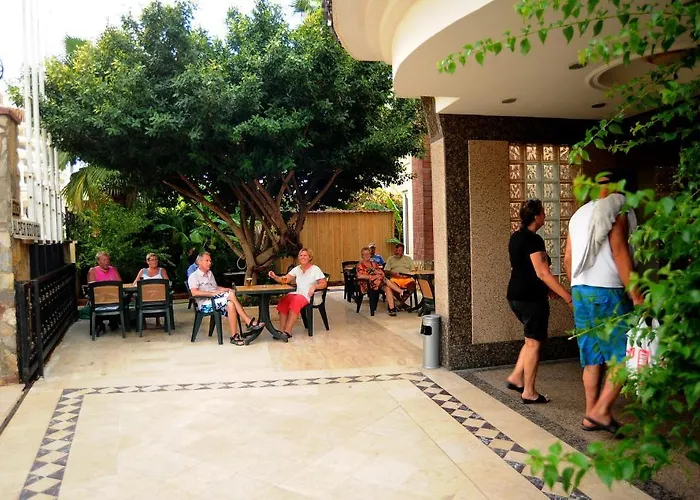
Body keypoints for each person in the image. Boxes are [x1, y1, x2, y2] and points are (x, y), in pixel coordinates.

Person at [565, 174, 643, 434]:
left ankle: (590, 415)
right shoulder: (618, 207)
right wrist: (635, 293)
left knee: (591, 357)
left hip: (581, 290)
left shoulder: (578, 215)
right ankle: (601, 411)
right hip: (609, 290)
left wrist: (577, 287)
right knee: (623, 354)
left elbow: (568, 258)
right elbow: (619, 249)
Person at [505, 199, 572, 404]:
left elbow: (525, 269)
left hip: (515, 296)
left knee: (531, 339)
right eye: (543, 212)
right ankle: (529, 392)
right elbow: (542, 273)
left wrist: (548, 290)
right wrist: (567, 296)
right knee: (534, 343)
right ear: (536, 217)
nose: (545, 215)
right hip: (531, 298)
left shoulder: (516, 237)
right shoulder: (533, 240)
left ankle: (516, 377)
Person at [188, 252, 264, 345]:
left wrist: (226, 289)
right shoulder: (194, 276)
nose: (209, 263)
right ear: (199, 262)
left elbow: (216, 288)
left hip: (216, 300)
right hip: (205, 304)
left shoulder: (210, 273)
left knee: (231, 304)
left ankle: (234, 336)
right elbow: (194, 292)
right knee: (230, 296)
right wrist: (212, 294)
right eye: (207, 261)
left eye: (210, 261)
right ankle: (248, 321)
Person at [268, 248, 327, 338]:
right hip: (298, 293)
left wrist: (315, 286)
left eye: (305, 255)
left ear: (310, 257)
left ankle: (288, 331)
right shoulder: (297, 269)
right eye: (301, 255)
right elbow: (285, 279)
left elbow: (324, 284)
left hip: (310, 296)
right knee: (284, 300)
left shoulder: (315, 269)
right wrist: (275, 277)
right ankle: (281, 330)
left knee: (296, 301)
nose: (303, 257)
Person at [356, 247, 404, 316]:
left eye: (368, 254)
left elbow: (382, 273)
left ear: (370, 255)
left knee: (387, 287)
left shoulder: (373, 263)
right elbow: (359, 276)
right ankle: (400, 291)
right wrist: (372, 277)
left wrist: (376, 272)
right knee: (382, 279)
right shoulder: (360, 265)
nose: (367, 256)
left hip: (378, 283)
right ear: (362, 255)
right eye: (365, 254)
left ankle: (392, 309)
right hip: (367, 284)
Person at [87, 251, 123, 333]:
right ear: (98, 261)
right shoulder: (93, 271)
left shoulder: (113, 269)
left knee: (125, 300)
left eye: (107, 260)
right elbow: (92, 288)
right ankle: (100, 324)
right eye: (104, 260)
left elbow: (120, 284)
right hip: (99, 299)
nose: (106, 262)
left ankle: (115, 322)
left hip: (114, 298)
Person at [133, 253, 170, 328]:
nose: (155, 261)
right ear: (148, 261)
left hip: (159, 296)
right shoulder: (142, 271)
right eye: (152, 260)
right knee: (135, 297)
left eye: (156, 259)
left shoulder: (162, 270)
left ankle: (158, 321)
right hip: (145, 297)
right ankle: (143, 322)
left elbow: (167, 283)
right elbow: (134, 283)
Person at [383, 243, 415, 308]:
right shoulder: (390, 259)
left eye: (399, 250)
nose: (397, 252)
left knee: (413, 285)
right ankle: (403, 304)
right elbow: (386, 271)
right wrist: (392, 273)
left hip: (407, 278)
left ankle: (401, 305)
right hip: (395, 278)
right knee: (391, 287)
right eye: (396, 250)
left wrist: (408, 275)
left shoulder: (408, 259)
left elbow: (413, 271)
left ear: (403, 251)